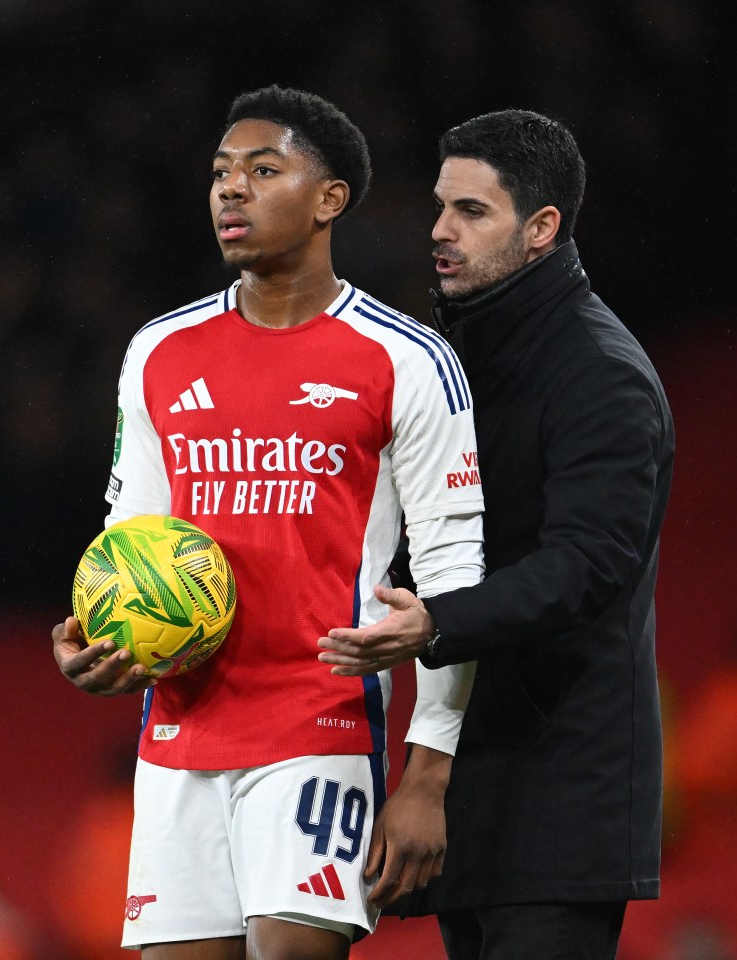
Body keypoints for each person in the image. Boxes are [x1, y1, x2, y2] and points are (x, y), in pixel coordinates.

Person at [52, 86, 486, 960]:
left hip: (318, 723)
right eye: (220, 174)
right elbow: (127, 538)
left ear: (331, 199)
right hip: (179, 731)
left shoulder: (405, 358)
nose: (230, 191)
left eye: (262, 170)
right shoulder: (159, 353)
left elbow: (455, 575)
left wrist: (428, 776)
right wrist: (91, 641)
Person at [318, 109, 675, 960]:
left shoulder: (602, 376)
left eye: (472, 212)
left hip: (563, 799)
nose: (439, 231)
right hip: (475, 783)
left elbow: (588, 564)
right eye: (441, 206)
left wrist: (437, 624)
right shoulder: (457, 358)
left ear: (542, 228)